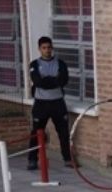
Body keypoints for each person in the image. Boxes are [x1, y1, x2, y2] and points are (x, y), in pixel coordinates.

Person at [27, 36, 77, 171]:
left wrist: (48, 81)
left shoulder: (60, 63)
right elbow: (37, 82)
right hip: (41, 104)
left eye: (49, 47)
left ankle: (67, 159)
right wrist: (53, 80)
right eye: (44, 48)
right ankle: (32, 160)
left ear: (52, 48)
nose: (47, 50)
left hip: (58, 103)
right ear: (39, 49)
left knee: (63, 133)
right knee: (36, 133)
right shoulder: (34, 64)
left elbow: (63, 80)